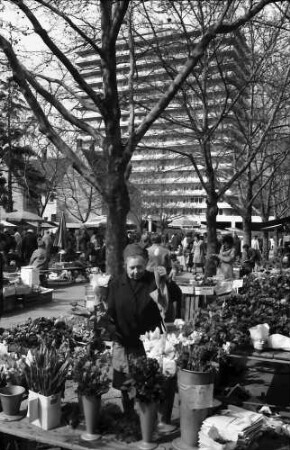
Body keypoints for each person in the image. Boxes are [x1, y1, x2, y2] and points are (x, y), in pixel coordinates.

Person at [106, 243, 164, 412]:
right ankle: (128, 415)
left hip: (147, 343)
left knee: (146, 383)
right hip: (123, 342)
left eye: (140, 267)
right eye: (132, 268)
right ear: (125, 265)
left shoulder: (153, 281)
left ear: (146, 264)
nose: (136, 271)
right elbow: (109, 312)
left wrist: (165, 280)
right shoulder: (116, 284)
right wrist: (111, 329)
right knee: (125, 385)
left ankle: (146, 416)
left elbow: (169, 300)